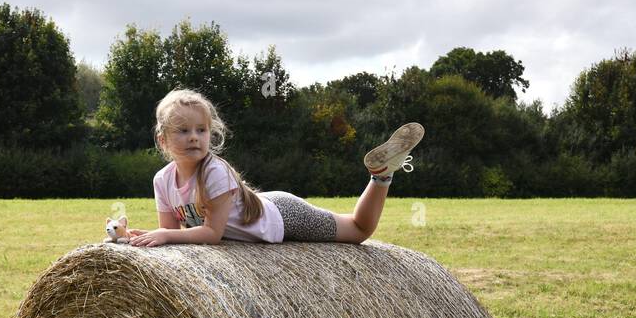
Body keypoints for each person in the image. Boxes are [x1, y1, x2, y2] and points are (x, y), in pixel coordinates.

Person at [112, 87, 424, 247]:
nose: (194, 138)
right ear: (162, 139)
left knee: (358, 230)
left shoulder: (214, 173)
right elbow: (170, 232)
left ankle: (382, 175)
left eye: (201, 130)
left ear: (211, 133)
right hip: (264, 205)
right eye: (183, 131)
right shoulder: (162, 180)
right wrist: (144, 236)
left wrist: (164, 237)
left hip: (284, 216)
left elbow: (211, 233)